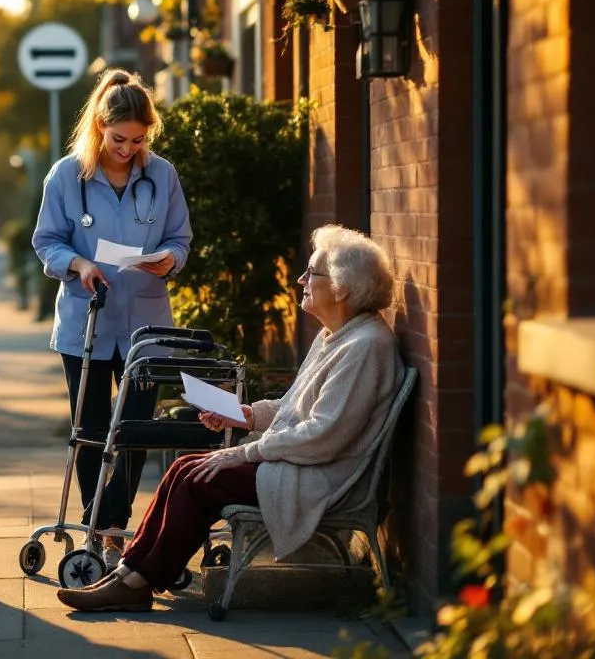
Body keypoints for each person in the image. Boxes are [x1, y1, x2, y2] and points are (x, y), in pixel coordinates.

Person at [56, 224, 403, 612]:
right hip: (294, 462)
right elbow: (294, 407)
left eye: (312, 274)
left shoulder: (365, 347)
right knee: (184, 469)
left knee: (196, 480)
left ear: (341, 288)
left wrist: (243, 453)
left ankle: (135, 582)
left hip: (317, 477)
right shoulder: (337, 336)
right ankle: (127, 575)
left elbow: (323, 436)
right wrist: (244, 415)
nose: (301, 280)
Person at [32, 68, 194, 568]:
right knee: (92, 429)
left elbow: (180, 239)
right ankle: (101, 527)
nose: (128, 149)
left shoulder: (161, 174)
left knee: (137, 428)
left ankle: (111, 525)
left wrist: (170, 259)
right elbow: (46, 244)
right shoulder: (65, 176)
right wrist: (77, 263)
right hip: (87, 322)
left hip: (146, 324)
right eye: (119, 138)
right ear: (100, 126)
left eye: (139, 140)